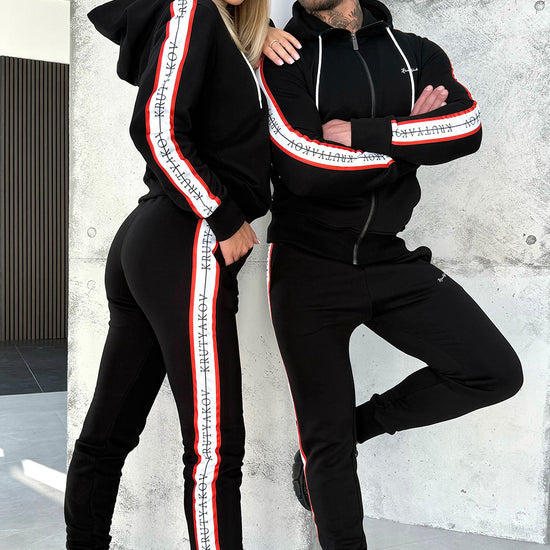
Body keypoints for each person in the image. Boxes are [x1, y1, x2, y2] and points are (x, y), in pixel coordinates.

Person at [260, 0, 524, 548]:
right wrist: (413, 138)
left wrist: (364, 133)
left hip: (389, 259)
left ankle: (357, 427)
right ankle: (332, 450)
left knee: (493, 372)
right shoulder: (283, 55)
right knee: (326, 442)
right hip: (308, 269)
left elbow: (465, 128)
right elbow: (305, 168)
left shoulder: (416, 53)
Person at [64, 0, 300, 548]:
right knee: (215, 448)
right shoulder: (190, 8)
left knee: (109, 432)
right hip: (187, 238)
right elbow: (158, 128)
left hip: (158, 239)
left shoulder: (215, 28)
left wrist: (259, 35)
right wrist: (224, 215)